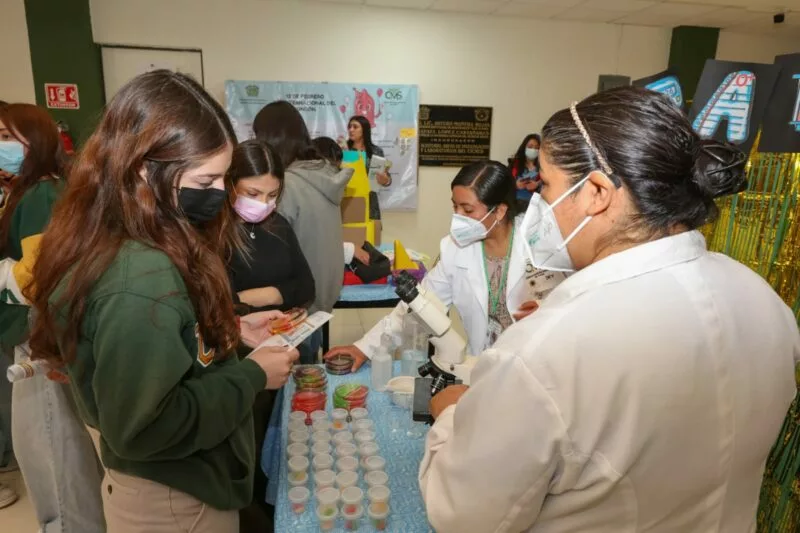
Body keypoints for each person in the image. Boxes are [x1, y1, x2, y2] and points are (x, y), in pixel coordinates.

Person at [418, 86, 800, 533]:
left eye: (544, 183)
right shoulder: (760, 298)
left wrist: (450, 418)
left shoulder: (548, 349)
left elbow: (464, 516)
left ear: (597, 191)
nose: (538, 205)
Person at [27, 70, 299, 533]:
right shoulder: (140, 275)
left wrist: (230, 332)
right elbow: (146, 427)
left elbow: (162, 348)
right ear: (143, 168)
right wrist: (253, 376)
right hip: (175, 501)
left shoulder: (128, 238)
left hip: (176, 486)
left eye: (223, 179)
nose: (219, 195)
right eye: (206, 179)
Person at [325, 160, 564, 370]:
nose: (457, 217)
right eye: (455, 207)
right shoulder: (454, 249)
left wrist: (546, 308)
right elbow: (419, 307)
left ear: (500, 211)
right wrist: (365, 348)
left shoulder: (542, 242)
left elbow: (578, 298)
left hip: (536, 368)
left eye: (467, 209)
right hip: (481, 366)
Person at [0, 103, 105, 531]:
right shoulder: (28, 190)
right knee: (55, 445)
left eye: (8, 137)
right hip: (32, 336)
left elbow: (43, 279)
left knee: (49, 448)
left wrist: (6, 274)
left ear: (36, 141)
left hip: (38, 338)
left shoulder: (43, 194)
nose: (2, 147)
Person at [253, 102, 352, 363]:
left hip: (293, 312)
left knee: (290, 393)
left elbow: (271, 257)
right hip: (318, 304)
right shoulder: (320, 175)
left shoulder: (288, 185)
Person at [509, 133, 541, 213]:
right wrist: (515, 185)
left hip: (535, 207)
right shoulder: (514, 164)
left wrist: (537, 185)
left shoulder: (544, 166)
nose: (533, 150)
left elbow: (550, 183)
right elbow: (505, 183)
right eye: (530, 147)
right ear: (524, 147)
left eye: (536, 147)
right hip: (515, 204)